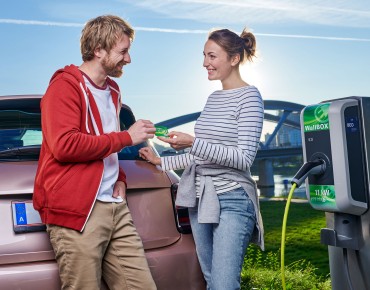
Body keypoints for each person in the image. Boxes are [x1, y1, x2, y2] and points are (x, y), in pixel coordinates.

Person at [33, 15, 157, 290]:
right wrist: (128, 137)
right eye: (123, 51)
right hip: (78, 210)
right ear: (98, 50)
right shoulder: (64, 86)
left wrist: (120, 177)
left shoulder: (112, 90)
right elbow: (65, 145)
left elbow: (104, 145)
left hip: (115, 207)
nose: (128, 59)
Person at [139, 27, 264, 290]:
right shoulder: (213, 98)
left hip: (232, 199)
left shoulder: (250, 97)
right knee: (210, 281)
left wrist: (193, 141)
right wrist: (162, 161)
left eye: (212, 56)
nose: (205, 63)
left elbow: (243, 158)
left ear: (234, 58)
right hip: (200, 197)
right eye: (204, 56)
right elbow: (201, 156)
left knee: (223, 285)